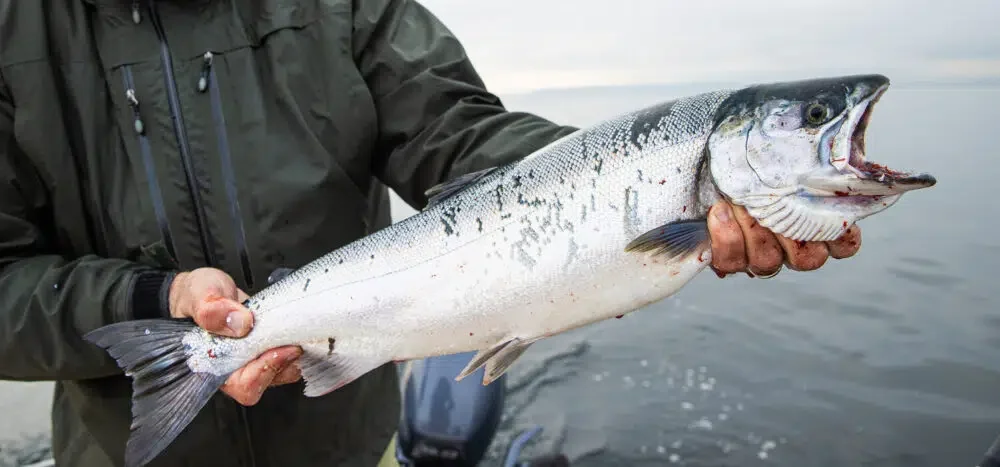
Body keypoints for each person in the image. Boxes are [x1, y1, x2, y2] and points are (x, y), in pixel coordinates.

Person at [0, 0, 863, 465]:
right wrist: (153, 298)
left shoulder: (343, 8)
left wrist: (619, 197)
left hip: (347, 441)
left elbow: (462, 135)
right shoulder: (13, 35)